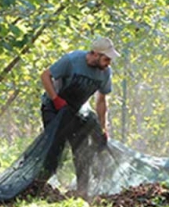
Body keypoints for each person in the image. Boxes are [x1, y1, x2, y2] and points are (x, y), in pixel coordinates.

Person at [39, 36, 119, 195]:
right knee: (55, 147)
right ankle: (38, 186)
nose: (108, 63)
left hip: (76, 110)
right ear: (95, 54)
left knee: (82, 149)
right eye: (106, 58)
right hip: (53, 108)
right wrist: (56, 99)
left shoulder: (105, 73)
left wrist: (103, 127)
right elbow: (45, 76)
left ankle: (83, 192)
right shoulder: (72, 60)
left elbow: (101, 101)